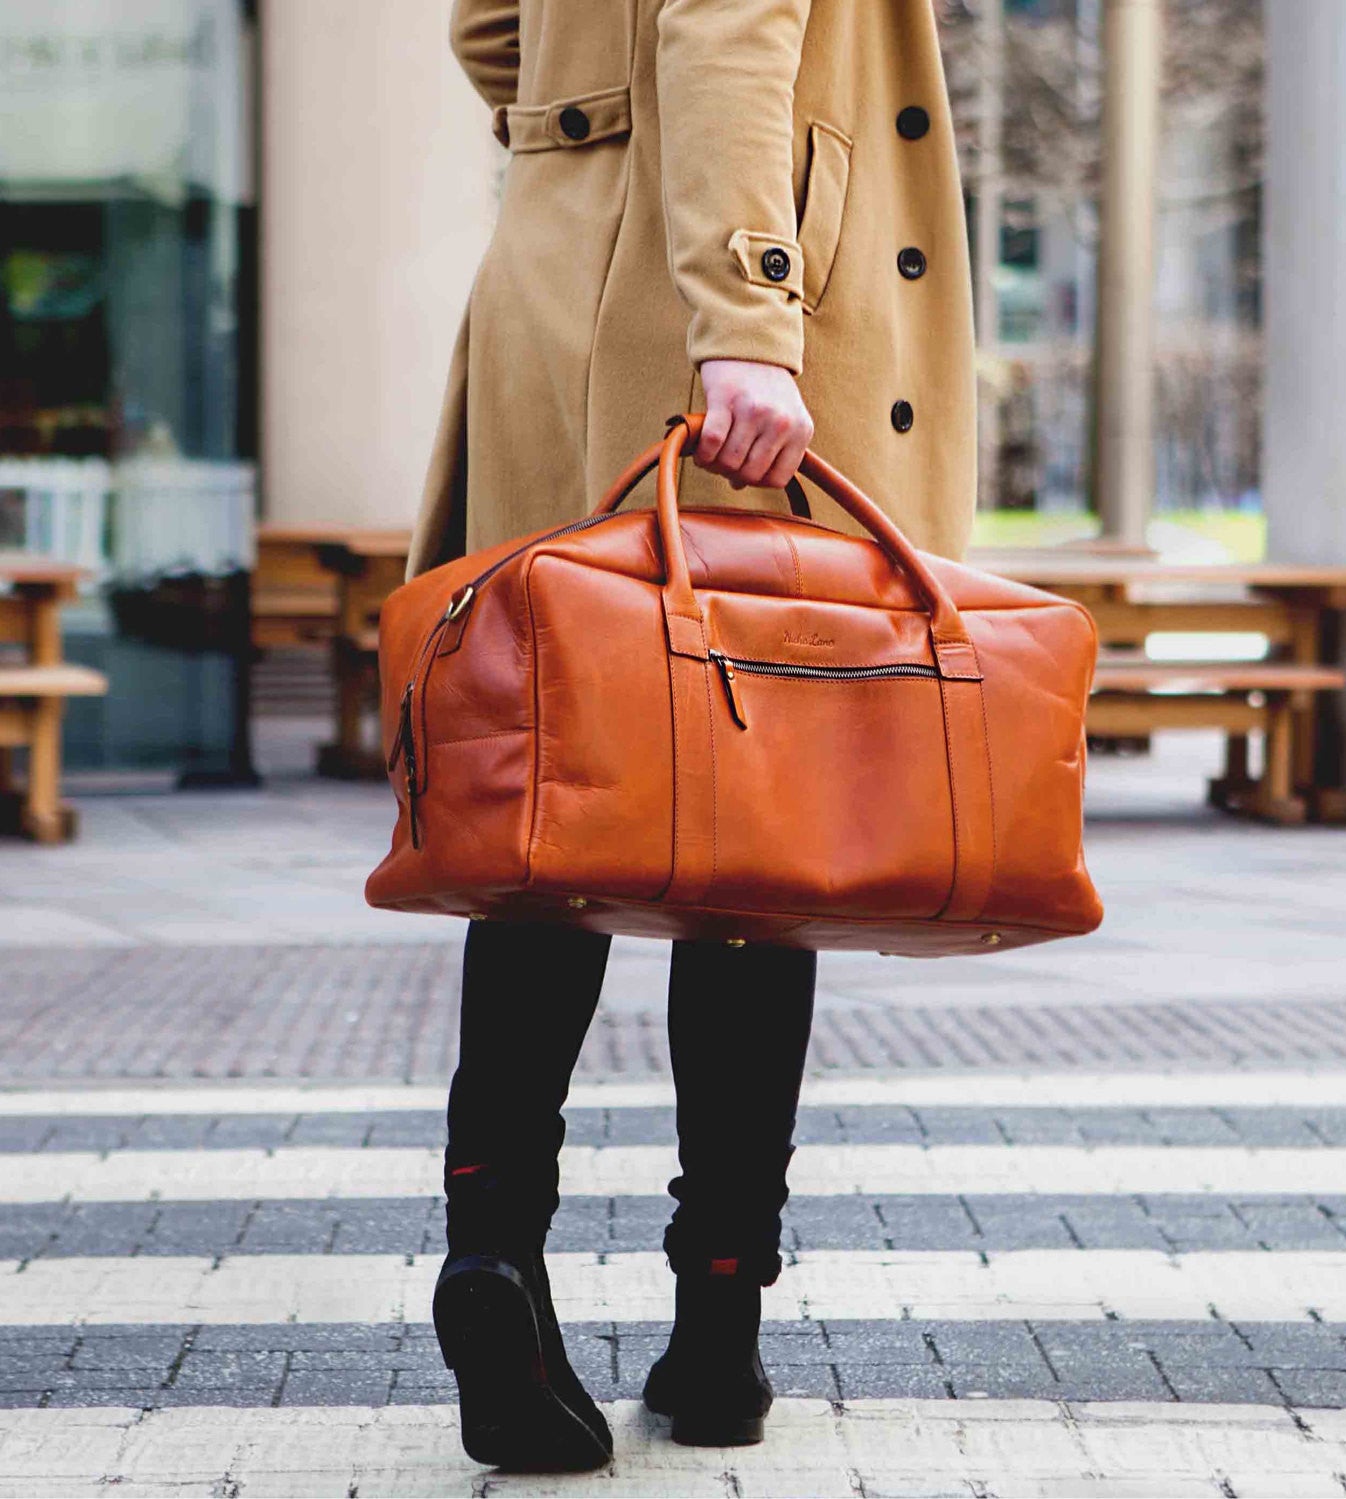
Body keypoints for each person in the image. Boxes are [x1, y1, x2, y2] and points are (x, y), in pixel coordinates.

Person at [413, 0, 977, 1474]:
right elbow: (727, 30)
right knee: (747, 835)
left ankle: (493, 1260)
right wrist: (748, 320)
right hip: (715, 326)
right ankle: (720, 1321)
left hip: (558, 296)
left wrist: (584, 136)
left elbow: (489, 26)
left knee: (552, 812)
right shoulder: (740, 310)